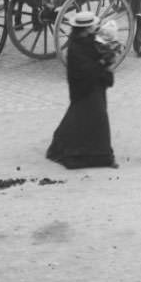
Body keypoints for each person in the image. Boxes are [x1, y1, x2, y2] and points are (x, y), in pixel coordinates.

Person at [46, 11, 117, 169]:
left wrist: (105, 58)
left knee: (82, 119)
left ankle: (96, 154)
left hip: (91, 87)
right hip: (86, 89)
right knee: (96, 120)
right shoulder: (77, 47)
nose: (95, 27)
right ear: (86, 29)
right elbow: (83, 70)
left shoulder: (88, 41)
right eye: (92, 25)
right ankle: (98, 156)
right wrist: (102, 64)